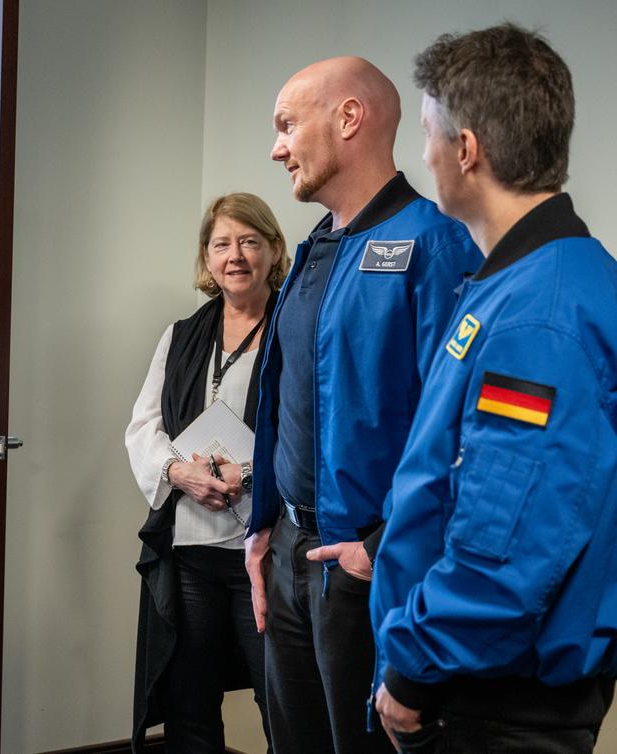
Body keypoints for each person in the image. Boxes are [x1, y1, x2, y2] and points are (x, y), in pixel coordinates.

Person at [371, 24, 617, 753]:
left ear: (466, 149)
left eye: (426, 134)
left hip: (490, 694)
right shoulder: (523, 280)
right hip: (475, 671)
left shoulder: (540, 316)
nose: (423, 157)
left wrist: (411, 674)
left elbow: (510, 541)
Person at [243, 57, 483, 753]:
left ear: (349, 119)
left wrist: (379, 549)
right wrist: (262, 527)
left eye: (287, 124)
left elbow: (460, 425)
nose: (276, 146)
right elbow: (288, 395)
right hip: (291, 550)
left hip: (367, 562)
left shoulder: (435, 245)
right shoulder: (317, 247)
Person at [128, 193, 289, 752]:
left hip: (263, 554)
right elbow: (142, 426)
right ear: (207, 257)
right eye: (222, 244)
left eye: (250, 241)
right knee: (189, 703)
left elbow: (309, 430)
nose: (236, 256)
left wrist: (247, 475)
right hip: (190, 551)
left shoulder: (291, 332)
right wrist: (180, 472)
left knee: (282, 701)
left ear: (274, 250)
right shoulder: (180, 336)